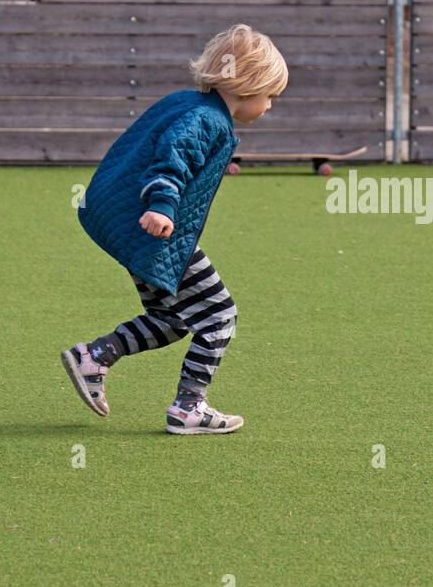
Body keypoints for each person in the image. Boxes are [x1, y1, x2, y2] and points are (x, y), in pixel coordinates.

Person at [61, 24, 287, 434]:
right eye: (269, 95)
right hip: (155, 229)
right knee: (219, 314)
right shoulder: (207, 120)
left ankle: (95, 356)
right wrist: (162, 206)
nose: (270, 105)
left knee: (172, 317)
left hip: (132, 225)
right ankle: (189, 407)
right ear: (247, 84)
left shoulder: (187, 104)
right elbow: (171, 160)